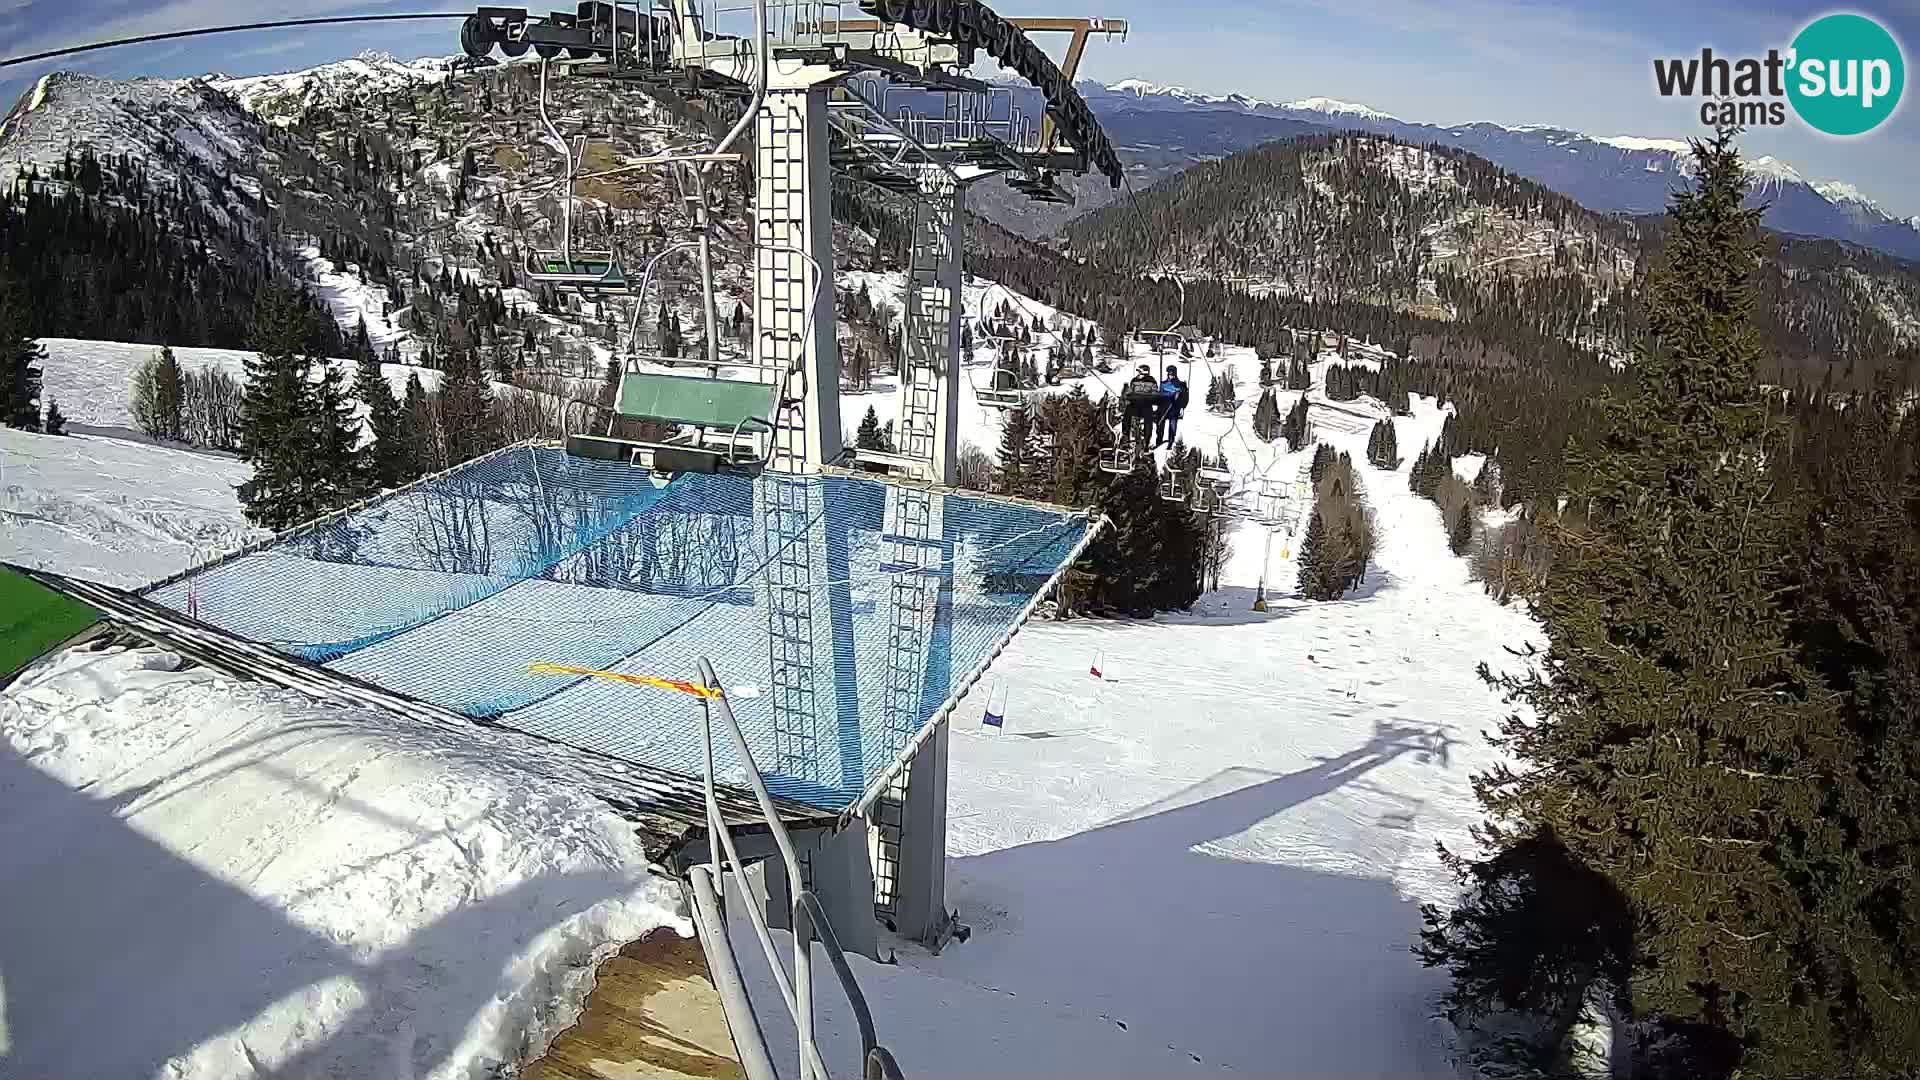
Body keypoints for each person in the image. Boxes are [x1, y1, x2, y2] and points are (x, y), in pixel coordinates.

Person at [1121, 364, 1161, 448]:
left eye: (1139, 372)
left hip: (1146, 406)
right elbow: (1130, 391)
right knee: (1127, 414)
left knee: (1148, 419)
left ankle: (1146, 440)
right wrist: (1128, 396)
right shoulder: (1134, 380)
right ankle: (1125, 436)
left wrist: (1149, 398)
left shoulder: (1151, 381)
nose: (1138, 374)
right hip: (1135, 405)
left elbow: (1155, 393)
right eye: (1138, 372)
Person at [1155, 364, 1189, 447]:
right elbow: (1159, 396)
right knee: (1160, 424)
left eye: (1172, 374)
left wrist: (1182, 407)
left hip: (1174, 408)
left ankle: (1170, 442)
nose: (1171, 376)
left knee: (1172, 425)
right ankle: (1159, 441)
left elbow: (1185, 398)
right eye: (1169, 374)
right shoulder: (1163, 384)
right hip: (1163, 408)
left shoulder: (1181, 385)